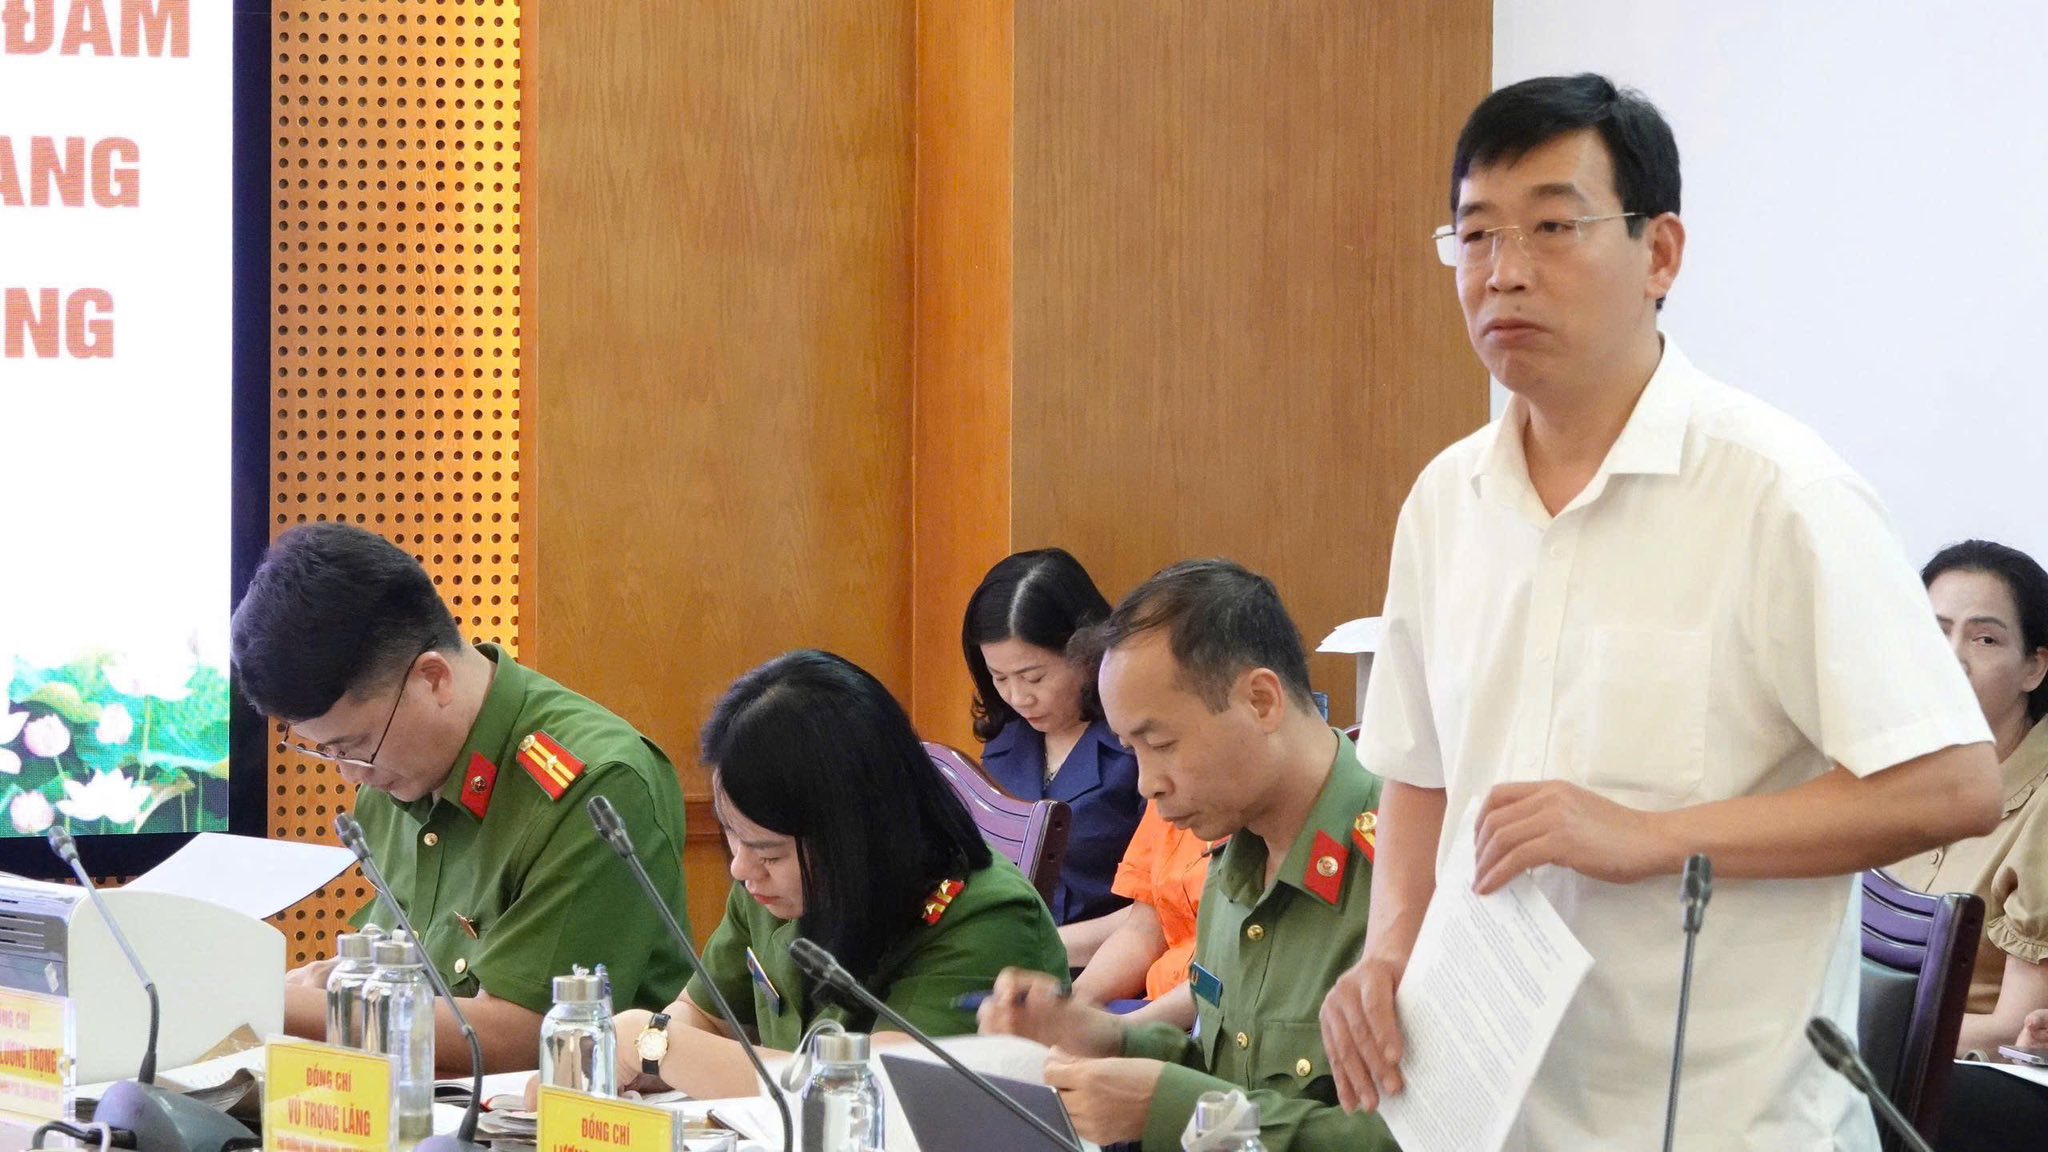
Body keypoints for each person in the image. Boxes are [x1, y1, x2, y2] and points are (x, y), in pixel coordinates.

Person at [1318, 74, 2000, 1151]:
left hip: (1718, 1122)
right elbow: (1418, 766)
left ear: (1660, 253)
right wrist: (1387, 951)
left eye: (1552, 227)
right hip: (1485, 1115)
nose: (1502, 272)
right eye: (1475, 235)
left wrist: (1651, 837)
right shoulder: (1445, 501)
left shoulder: (1780, 495)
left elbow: (1953, 784)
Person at [232, 522, 693, 1073]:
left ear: (433, 679)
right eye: (328, 753)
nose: (352, 776)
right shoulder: (395, 776)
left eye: (355, 746)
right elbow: (413, 980)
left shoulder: (595, 784)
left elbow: (531, 1037)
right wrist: (333, 979)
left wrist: (267, 1003)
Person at [980, 560, 1396, 1151]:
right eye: (1131, 749)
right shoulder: (1233, 855)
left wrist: (1177, 1110)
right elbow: (1225, 1070)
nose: (1146, 783)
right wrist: (1103, 1037)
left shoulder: (1406, 867)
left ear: (1260, 701)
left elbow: (1431, 1139)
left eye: (1162, 743)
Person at [609, 650, 1067, 1100]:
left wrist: (654, 1045)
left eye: (769, 853)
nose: (740, 868)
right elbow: (706, 1016)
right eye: (732, 835)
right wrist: (646, 1061)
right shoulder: (771, 885)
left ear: (856, 836)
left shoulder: (985, 920)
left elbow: (867, 1092)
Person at [1893, 541, 2048, 1054]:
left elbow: (2013, 1031)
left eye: (1984, 639)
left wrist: (1850, 1035)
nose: (1951, 658)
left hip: (1961, 1079)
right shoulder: (1889, 768)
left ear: (2034, 668)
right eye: (1934, 632)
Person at [964, 548, 1145, 964]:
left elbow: (1161, 909)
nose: (1018, 697)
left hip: (1107, 969)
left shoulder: (1137, 747)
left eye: (1034, 677)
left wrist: (1033, 950)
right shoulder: (1006, 738)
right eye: (999, 677)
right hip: (1007, 955)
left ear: (1087, 653)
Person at [1068, 801, 1218, 1029]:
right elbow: (1143, 930)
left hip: (1207, 1024)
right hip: (1148, 1008)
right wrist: (1071, 1009)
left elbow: (1223, 980)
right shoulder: (1166, 796)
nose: (1147, 789)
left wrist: (1120, 1032)